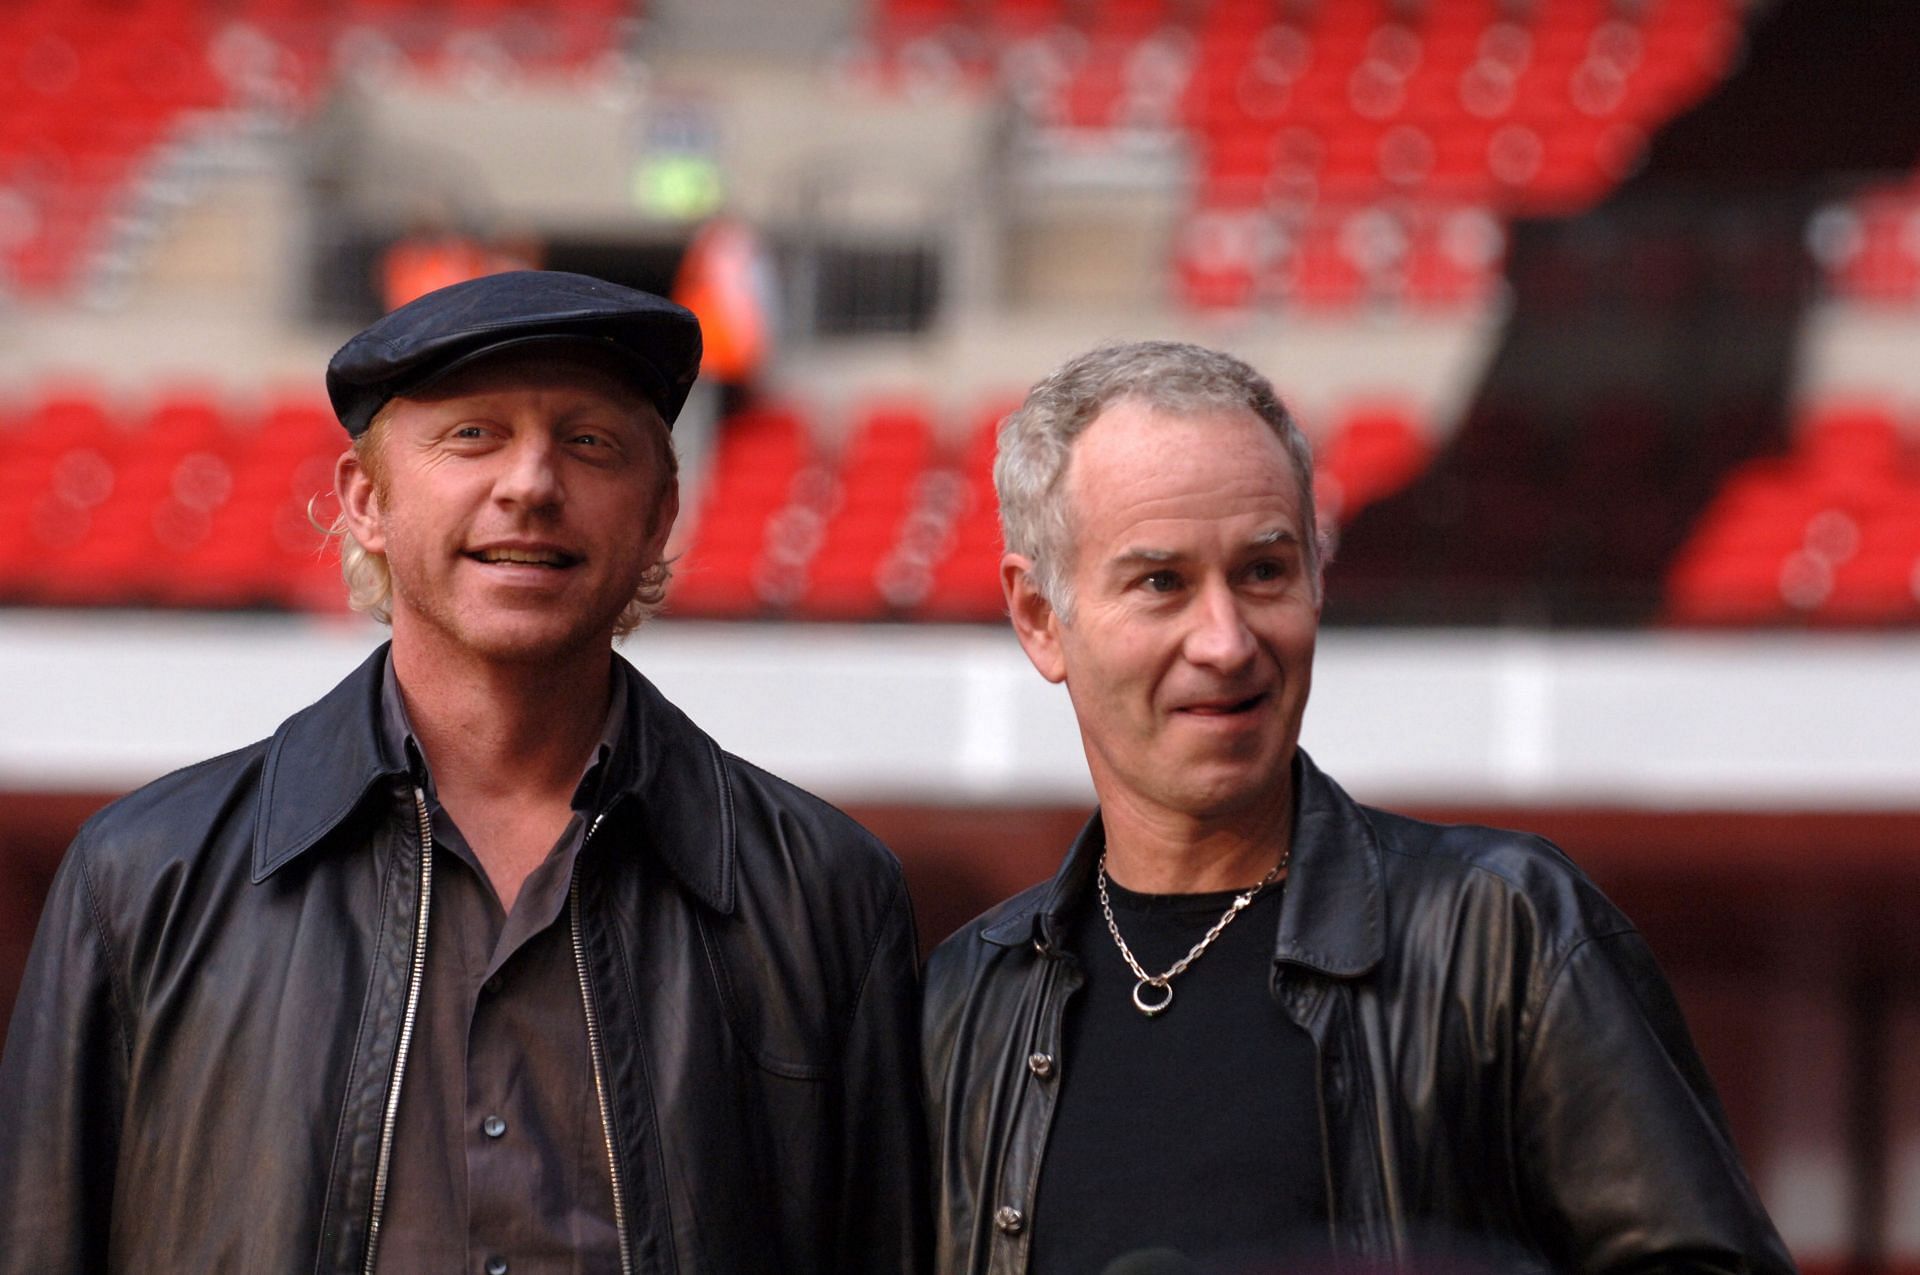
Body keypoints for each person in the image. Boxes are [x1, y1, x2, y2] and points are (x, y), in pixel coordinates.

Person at [0, 271, 928, 1274]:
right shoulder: (143, 878)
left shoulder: (826, 894)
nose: (530, 483)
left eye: (588, 443)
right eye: (473, 435)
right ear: (366, 501)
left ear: (660, 516)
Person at [920, 341, 1792, 1275]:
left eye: (1263, 571)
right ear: (1041, 618)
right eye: (1162, 582)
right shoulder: (965, 1000)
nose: (1226, 640)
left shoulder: (1508, 933)